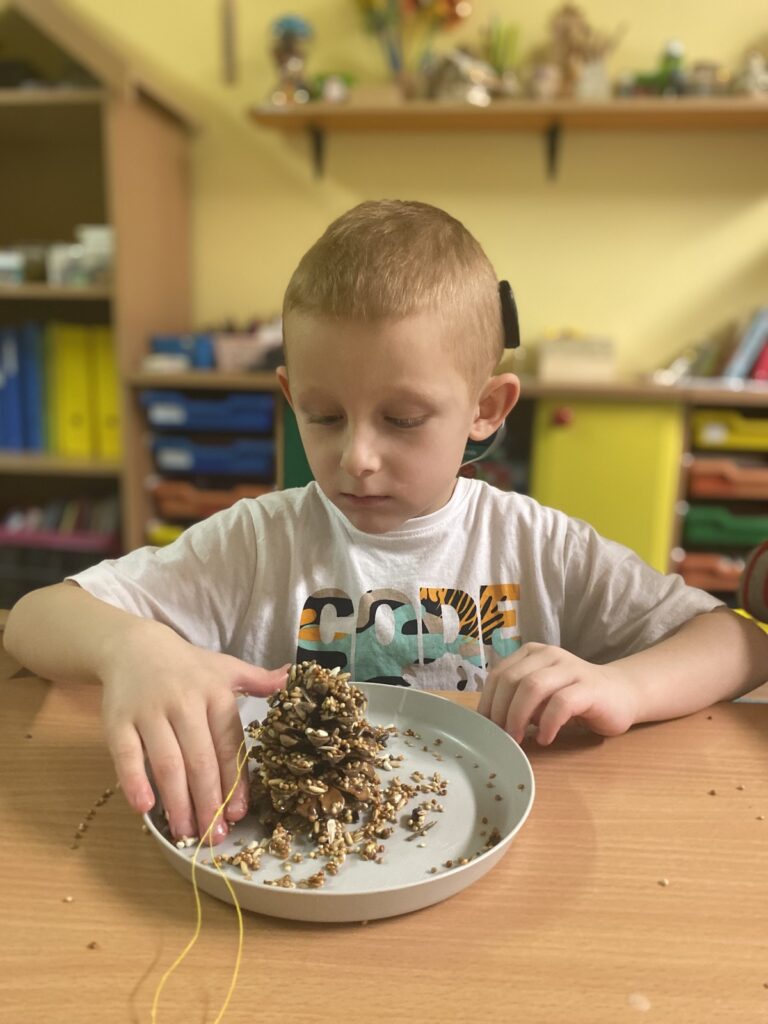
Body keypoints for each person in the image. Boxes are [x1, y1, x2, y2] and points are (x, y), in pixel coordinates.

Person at [5, 200, 767, 846]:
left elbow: (740, 642)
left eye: (401, 419)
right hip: (293, 860)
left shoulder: (540, 547)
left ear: (486, 409)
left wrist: (621, 687)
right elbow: (33, 619)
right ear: (289, 395)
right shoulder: (257, 542)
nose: (357, 458)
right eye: (324, 415)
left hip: (487, 852)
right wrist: (131, 649)